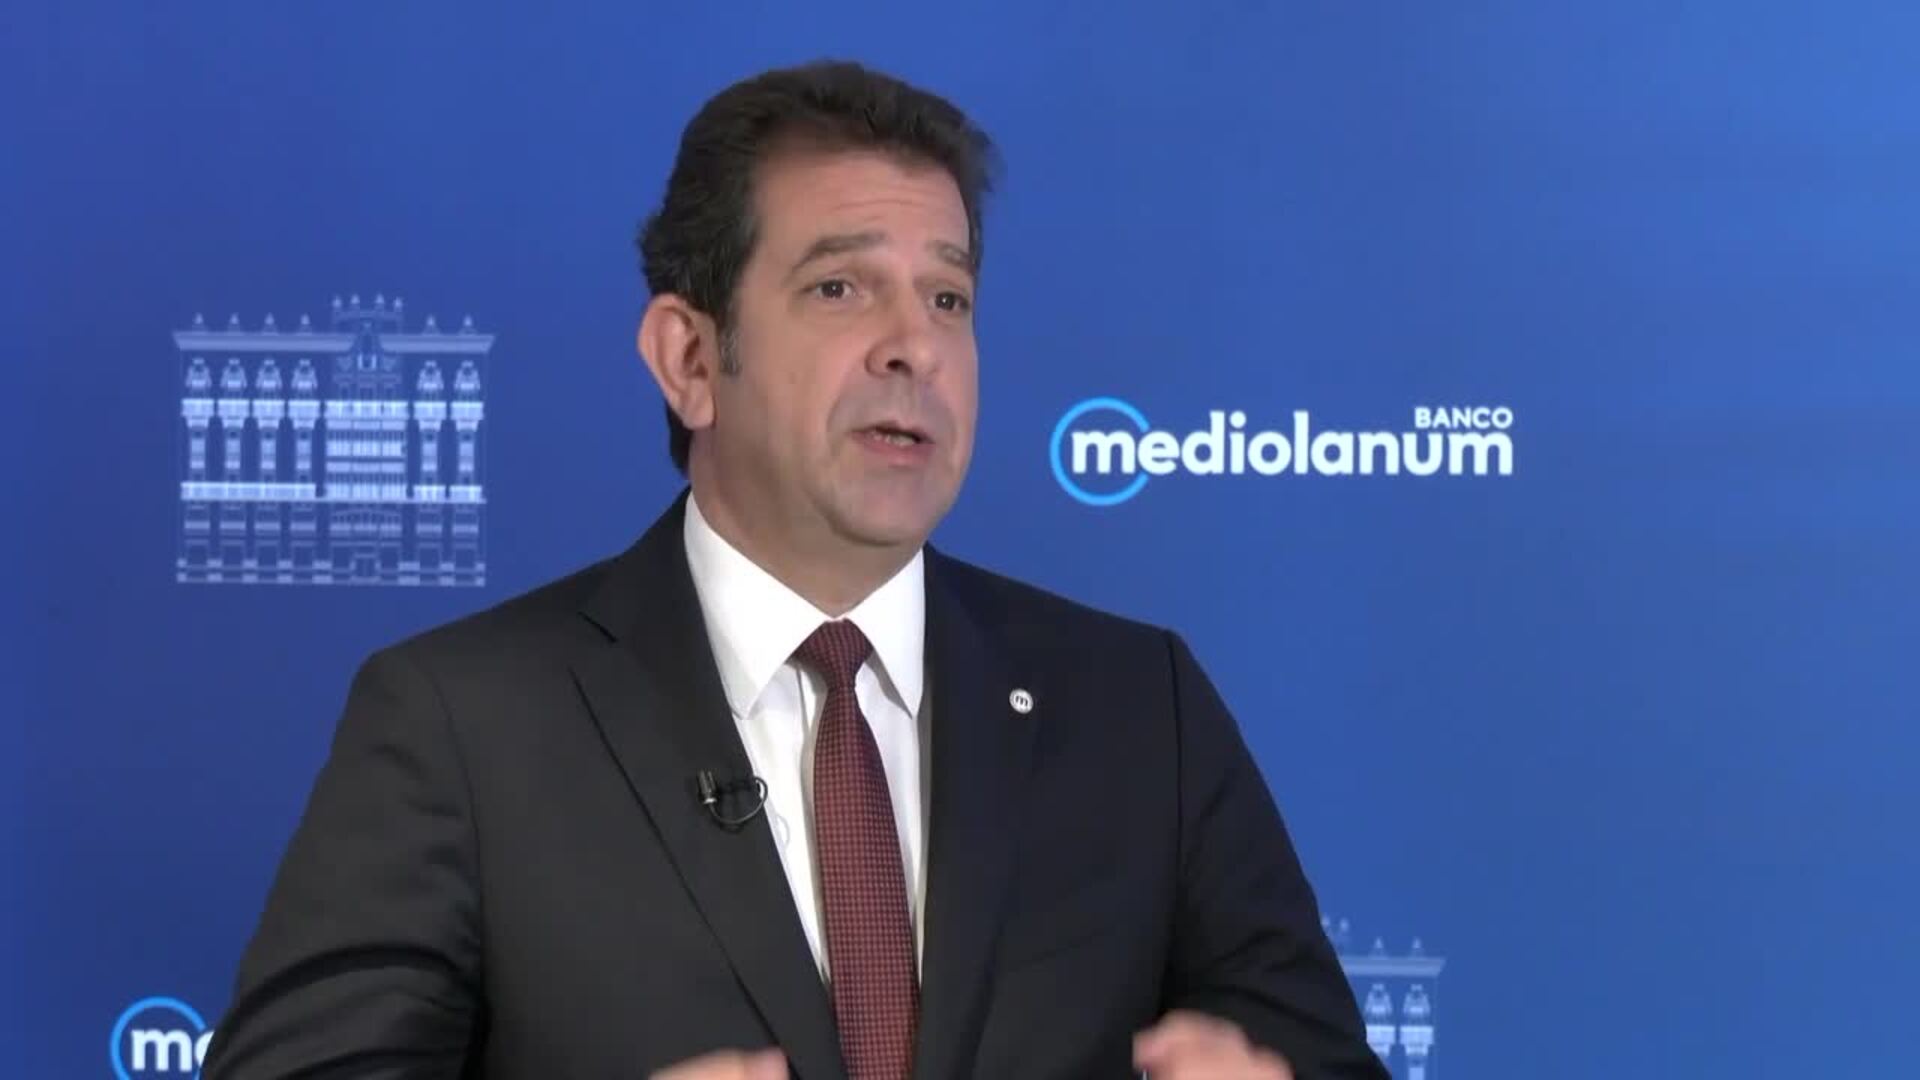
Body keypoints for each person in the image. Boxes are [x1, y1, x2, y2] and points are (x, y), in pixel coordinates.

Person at [202, 60, 1386, 1080]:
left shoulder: (1139, 711)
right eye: (839, 287)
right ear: (689, 358)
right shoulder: (462, 724)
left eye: (948, 297)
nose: (914, 346)